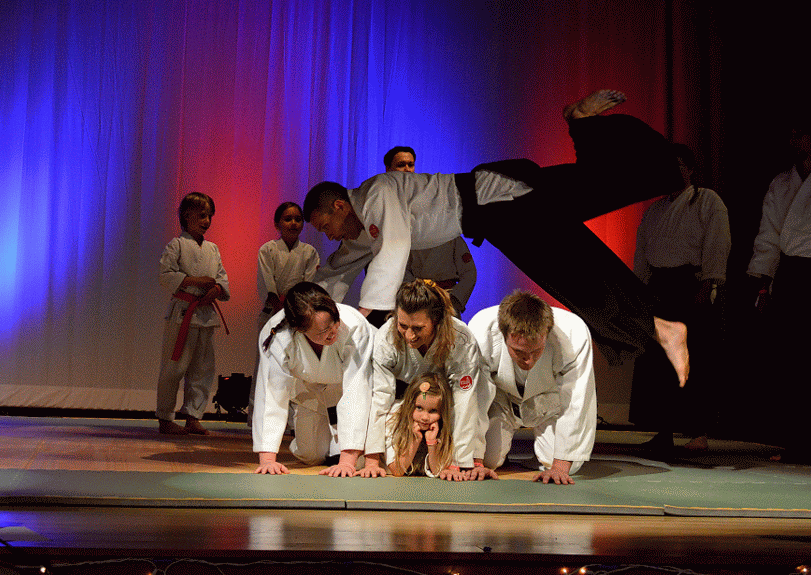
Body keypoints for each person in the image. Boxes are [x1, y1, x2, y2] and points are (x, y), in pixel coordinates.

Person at [304, 89, 690, 389]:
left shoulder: (377, 192)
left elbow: (393, 246)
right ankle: (581, 122)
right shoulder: (358, 232)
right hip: (500, 209)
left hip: (496, 199)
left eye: (325, 226)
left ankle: (660, 325)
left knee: (573, 261)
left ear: (339, 206)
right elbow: (334, 272)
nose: (329, 236)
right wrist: (301, 308)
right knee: (600, 187)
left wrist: (370, 312)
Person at [631, 143, 731, 455]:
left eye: (677, 166)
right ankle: (663, 432)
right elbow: (643, 253)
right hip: (659, 288)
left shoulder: (707, 201)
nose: (672, 173)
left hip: (691, 284)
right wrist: (638, 289)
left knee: (692, 359)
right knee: (659, 364)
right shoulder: (655, 210)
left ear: (689, 169)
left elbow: (718, 244)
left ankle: (698, 433)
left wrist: (708, 284)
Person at [314, 146, 478, 324]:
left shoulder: (380, 195)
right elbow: (338, 269)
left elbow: (393, 248)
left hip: (476, 198)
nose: (406, 171)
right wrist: (310, 306)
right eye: (400, 165)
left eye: (326, 227)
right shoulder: (371, 209)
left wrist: (453, 302)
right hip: (407, 299)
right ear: (389, 171)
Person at [361, 279, 495, 481]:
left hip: (445, 406)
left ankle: (472, 458)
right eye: (403, 325)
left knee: (494, 457)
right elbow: (380, 396)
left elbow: (464, 401)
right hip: (404, 405)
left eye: (418, 328)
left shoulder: (460, 340)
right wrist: (371, 459)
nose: (409, 335)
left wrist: (460, 462)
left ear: (438, 320)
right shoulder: (386, 338)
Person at [469, 291, 597, 485]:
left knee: (569, 463)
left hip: (549, 403)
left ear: (547, 333)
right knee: (489, 459)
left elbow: (577, 399)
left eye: (536, 350)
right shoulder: (482, 330)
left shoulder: (573, 334)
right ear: (504, 335)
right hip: (502, 400)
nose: (528, 360)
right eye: (518, 351)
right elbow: (476, 397)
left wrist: (559, 468)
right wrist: (476, 462)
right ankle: (496, 451)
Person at [252, 281, 375, 476]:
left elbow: (357, 389)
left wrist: (347, 461)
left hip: (346, 389)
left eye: (333, 322)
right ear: (300, 330)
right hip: (309, 392)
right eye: (322, 331)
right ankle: (331, 441)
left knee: (355, 460)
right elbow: (272, 394)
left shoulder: (354, 326)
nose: (332, 331)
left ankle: (343, 448)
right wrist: (267, 460)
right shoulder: (277, 335)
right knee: (310, 455)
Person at [747, 116, 811, 464]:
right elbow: (769, 233)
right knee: (792, 359)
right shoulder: (783, 182)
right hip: (793, 273)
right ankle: (796, 441)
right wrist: (763, 281)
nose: (802, 140)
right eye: (800, 135)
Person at [157, 192, 229, 436]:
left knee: (202, 369)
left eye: (209, 215)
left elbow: (222, 278)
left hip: (206, 315)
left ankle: (193, 416)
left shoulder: (213, 248)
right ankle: (166, 418)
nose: (206, 220)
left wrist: (216, 289)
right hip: (182, 313)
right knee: (174, 367)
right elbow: (166, 276)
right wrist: (197, 281)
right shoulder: (176, 245)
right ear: (186, 215)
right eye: (201, 215)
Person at [249, 202, 320, 416]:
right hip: (272, 313)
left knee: (296, 367)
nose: (294, 223)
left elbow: (308, 286)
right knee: (266, 365)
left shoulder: (309, 252)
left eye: (298, 219)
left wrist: (294, 309)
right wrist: (279, 305)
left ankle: (293, 420)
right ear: (277, 223)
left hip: (298, 316)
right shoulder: (268, 250)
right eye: (288, 219)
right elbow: (266, 283)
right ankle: (258, 417)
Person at [386, 372, 457, 477]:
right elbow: (397, 470)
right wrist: (415, 441)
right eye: (419, 408)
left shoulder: (443, 429)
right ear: (410, 404)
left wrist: (432, 443)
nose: (425, 417)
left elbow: (438, 472)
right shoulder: (394, 420)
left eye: (433, 411)